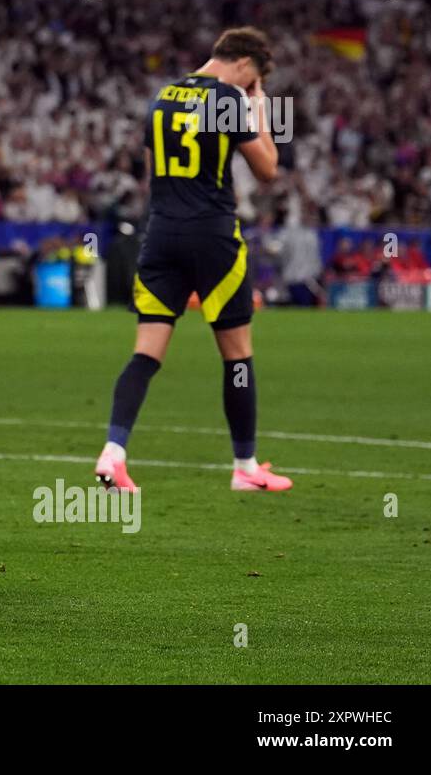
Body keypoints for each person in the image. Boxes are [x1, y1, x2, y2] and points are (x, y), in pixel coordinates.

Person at [94, 27, 292, 493]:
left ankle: (113, 451)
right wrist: (259, 107)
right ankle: (244, 466)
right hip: (213, 235)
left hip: (160, 234)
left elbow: (151, 171)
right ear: (245, 65)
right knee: (238, 355)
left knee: (145, 352)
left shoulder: (160, 98)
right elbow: (268, 171)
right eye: (255, 78)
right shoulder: (230, 99)